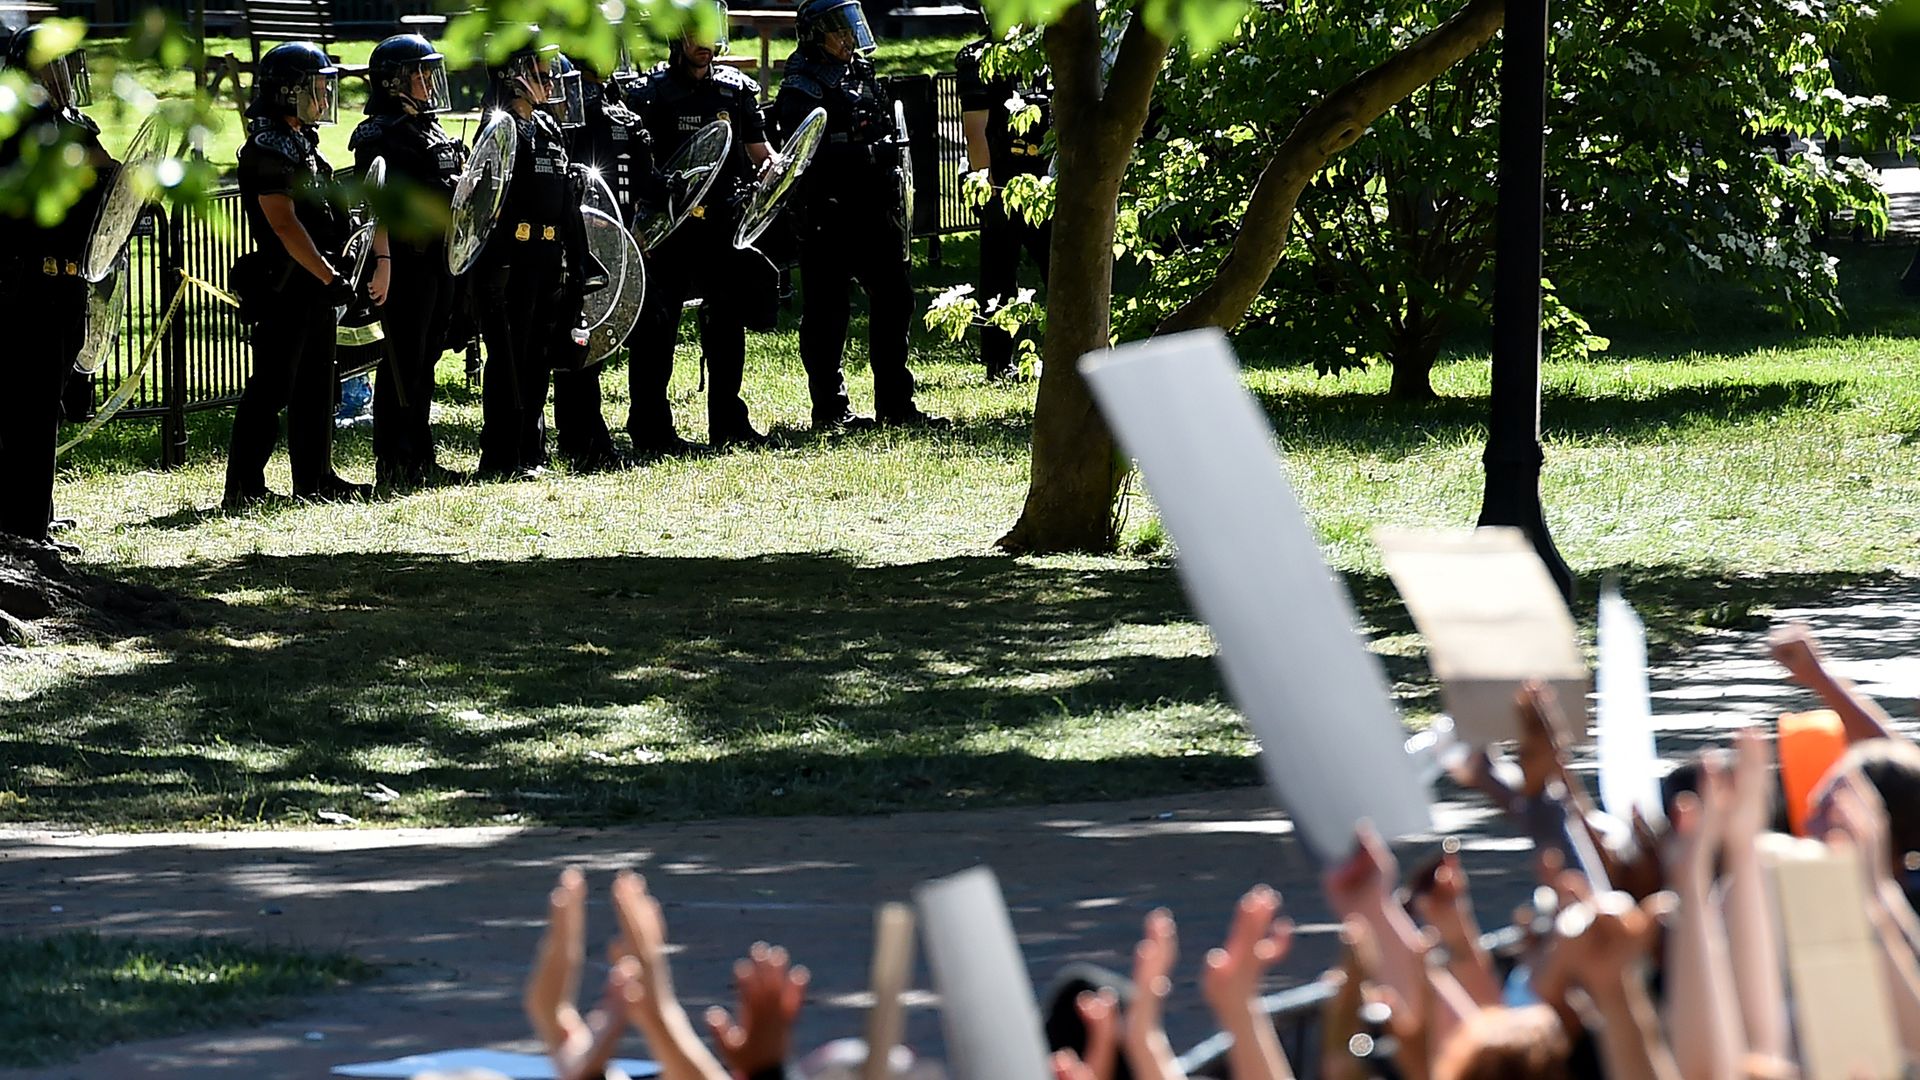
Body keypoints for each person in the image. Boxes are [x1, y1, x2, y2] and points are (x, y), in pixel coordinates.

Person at [774, 0, 945, 432]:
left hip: (873, 213)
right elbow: (805, 157)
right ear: (816, 35)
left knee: (896, 300)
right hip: (828, 217)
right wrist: (864, 152)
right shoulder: (800, 88)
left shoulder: (859, 74)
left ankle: (896, 403)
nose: (848, 39)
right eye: (839, 31)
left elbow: (887, 127)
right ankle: (830, 411)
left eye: (851, 30)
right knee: (827, 314)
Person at [623, 5, 782, 454]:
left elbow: (761, 153)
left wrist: (775, 171)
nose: (704, 46)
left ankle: (729, 424)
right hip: (667, 233)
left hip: (722, 228)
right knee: (658, 330)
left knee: (727, 326)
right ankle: (651, 430)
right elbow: (638, 169)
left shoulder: (735, 92)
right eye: (695, 36)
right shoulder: (647, 96)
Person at [225, 40, 369, 509]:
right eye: (317, 88)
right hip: (287, 284)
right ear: (289, 92)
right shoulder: (268, 148)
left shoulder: (302, 143)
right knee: (272, 386)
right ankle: (244, 486)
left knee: (316, 384)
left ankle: (316, 477)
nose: (324, 98)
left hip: (316, 285)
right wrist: (328, 276)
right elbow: (284, 224)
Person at [0, 25, 116, 546]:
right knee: (26, 408)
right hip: (28, 288)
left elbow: (111, 182)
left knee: (44, 406)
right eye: (60, 64)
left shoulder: (69, 124)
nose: (69, 75)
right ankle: (24, 526)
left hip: (68, 283)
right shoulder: (24, 125)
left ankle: (34, 512)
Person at [350, 32, 468, 489]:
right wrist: (382, 261)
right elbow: (376, 201)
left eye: (428, 71)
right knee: (403, 362)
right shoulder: (379, 134)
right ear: (393, 81)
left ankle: (421, 454)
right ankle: (395, 459)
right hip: (404, 260)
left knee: (426, 360)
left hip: (440, 258)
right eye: (418, 73)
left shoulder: (429, 125)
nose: (427, 80)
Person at [471, 36, 583, 481]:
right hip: (510, 262)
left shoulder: (548, 128)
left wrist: (577, 259)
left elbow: (566, 200)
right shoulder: (497, 129)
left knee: (537, 356)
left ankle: (531, 449)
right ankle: (501, 455)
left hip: (546, 257)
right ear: (515, 75)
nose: (551, 79)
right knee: (508, 360)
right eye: (541, 70)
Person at [545, 53, 631, 473]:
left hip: (572, 252)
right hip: (538, 257)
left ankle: (585, 439)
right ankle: (540, 442)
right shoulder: (528, 132)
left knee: (578, 347)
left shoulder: (559, 134)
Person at [955, 26, 1051, 381]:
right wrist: (988, 187)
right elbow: (975, 131)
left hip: (1044, 178)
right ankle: (998, 362)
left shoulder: (1044, 51)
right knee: (999, 275)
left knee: (1058, 266)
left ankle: (1070, 352)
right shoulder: (977, 59)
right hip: (1001, 178)